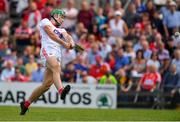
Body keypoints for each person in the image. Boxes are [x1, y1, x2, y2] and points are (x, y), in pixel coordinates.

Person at [20, 9, 75, 115]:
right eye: (61, 16)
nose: (62, 19)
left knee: (46, 85)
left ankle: (26, 104)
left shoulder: (62, 30)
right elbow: (51, 35)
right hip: (47, 51)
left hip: (56, 55)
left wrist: (71, 42)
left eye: (64, 18)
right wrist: (64, 44)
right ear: (55, 15)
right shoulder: (45, 22)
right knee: (56, 67)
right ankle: (61, 90)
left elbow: (68, 36)